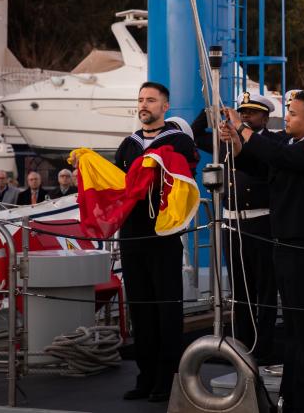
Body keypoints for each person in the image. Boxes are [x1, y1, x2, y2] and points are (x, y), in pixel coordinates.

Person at [222, 91, 304, 413]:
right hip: (284, 243)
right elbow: (263, 167)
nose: (287, 117)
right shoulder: (290, 147)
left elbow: (281, 158)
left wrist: (243, 130)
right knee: (296, 328)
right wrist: (236, 143)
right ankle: (291, 395)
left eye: (294, 114)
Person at [116, 82, 198, 403]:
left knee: (167, 307)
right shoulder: (128, 144)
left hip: (163, 235)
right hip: (133, 236)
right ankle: (145, 375)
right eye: (140, 99)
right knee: (140, 307)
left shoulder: (177, 141)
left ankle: (168, 378)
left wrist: (158, 162)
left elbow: (184, 173)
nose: (144, 104)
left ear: (165, 106)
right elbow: (118, 184)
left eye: (151, 100)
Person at [191, 92, 278, 363]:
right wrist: (212, 111)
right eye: (243, 112)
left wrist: (239, 130)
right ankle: (243, 345)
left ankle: (264, 347)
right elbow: (194, 134)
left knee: (264, 289)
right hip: (232, 221)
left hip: (261, 221)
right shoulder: (225, 142)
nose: (246, 117)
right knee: (240, 290)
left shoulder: (273, 142)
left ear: (265, 116)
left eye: (252, 113)